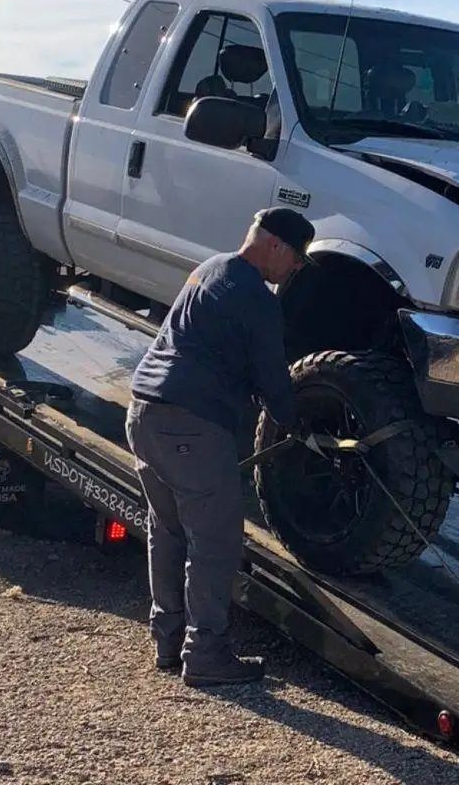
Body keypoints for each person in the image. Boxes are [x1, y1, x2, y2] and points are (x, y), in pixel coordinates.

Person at [125, 207, 313, 686]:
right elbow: (273, 379)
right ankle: (206, 654)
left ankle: (167, 643)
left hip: (143, 411)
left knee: (167, 530)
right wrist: (300, 427)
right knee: (215, 541)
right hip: (191, 426)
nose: (295, 269)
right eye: (295, 258)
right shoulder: (257, 298)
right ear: (274, 245)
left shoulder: (210, 269)